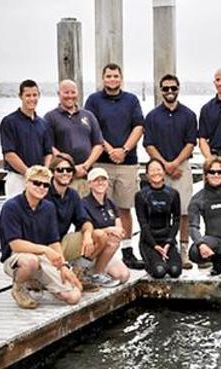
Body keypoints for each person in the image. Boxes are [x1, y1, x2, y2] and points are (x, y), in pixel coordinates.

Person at [85, 63, 145, 270]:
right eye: (108, 76)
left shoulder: (131, 100)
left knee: (125, 208)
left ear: (121, 78)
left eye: (115, 76)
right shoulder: (93, 100)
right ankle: (102, 252)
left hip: (127, 163)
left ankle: (127, 251)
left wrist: (124, 150)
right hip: (102, 162)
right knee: (99, 208)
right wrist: (110, 150)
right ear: (103, 79)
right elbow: (93, 128)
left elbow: (139, 126)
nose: (112, 79)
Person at [0, 165, 82, 309]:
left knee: (74, 296)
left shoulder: (48, 207)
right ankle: (19, 287)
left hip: (42, 257)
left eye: (45, 185)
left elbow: (54, 242)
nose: (41, 187)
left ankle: (38, 282)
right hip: (17, 257)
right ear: (26, 182)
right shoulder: (11, 207)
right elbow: (16, 245)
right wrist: (45, 250)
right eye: (36, 183)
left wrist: (63, 266)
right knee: (31, 261)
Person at [143, 74, 197, 270]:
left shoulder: (189, 115)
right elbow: (148, 143)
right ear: (160, 90)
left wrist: (175, 163)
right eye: (165, 88)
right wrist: (165, 165)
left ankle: (183, 252)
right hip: (159, 168)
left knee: (184, 212)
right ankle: (158, 250)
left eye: (173, 88)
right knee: (157, 211)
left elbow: (191, 143)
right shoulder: (152, 116)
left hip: (181, 167)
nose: (169, 92)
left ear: (178, 88)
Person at [46, 154, 118, 289]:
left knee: (99, 236)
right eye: (60, 170)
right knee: (71, 293)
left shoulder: (72, 194)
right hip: (46, 246)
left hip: (62, 241)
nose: (65, 173)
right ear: (52, 172)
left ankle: (81, 272)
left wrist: (87, 236)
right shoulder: (45, 193)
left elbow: (84, 220)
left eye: (69, 170)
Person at [44, 79, 104, 196]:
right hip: (64, 177)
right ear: (59, 94)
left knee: (87, 211)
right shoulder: (50, 117)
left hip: (87, 175)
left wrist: (85, 166)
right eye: (66, 92)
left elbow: (98, 144)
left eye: (73, 92)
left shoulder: (88, 116)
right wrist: (70, 168)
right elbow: (49, 147)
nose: (70, 96)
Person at [0, 80, 53, 198]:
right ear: (20, 96)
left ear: (39, 95)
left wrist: (44, 172)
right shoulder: (9, 122)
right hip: (18, 178)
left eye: (35, 95)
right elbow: (9, 154)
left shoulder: (43, 123)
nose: (32, 99)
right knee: (16, 213)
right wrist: (28, 173)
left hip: (39, 180)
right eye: (28, 95)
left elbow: (48, 152)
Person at [80, 167, 131, 284]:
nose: (100, 182)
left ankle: (98, 269)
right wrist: (108, 229)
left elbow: (120, 230)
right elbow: (84, 229)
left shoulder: (110, 203)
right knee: (112, 240)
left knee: (124, 276)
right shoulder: (84, 203)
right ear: (89, 184)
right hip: (92, 249)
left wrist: (116, 231)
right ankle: (96, 274)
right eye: (96, 180)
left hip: (108, 251)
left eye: (103, 179)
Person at [134, 159, 182, 279]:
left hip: (167, 240)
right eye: (152, 170)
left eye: (158, 169)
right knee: (160, 271)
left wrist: (169, 242)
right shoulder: (141, 196)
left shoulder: (173, 194)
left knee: (175, 271)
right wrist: (155, 245)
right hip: (149, 242)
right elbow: (143, 223)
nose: (156, 173)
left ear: (164, 172)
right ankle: (151, 261)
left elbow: (176, 220)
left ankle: (165, 257)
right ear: (147, 175)